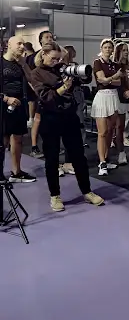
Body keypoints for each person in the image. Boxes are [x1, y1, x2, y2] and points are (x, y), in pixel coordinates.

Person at [28, 42, 104, 211]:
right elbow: (45, 97)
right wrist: (63, 87)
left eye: (59, 59)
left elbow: (84, 80)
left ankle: (87, 191)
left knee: (78, 156)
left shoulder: (63, 68)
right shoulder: (36, 73)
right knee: (52, 159)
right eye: (53, 58)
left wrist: (79, 73)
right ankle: (55, 196)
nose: (57, 62)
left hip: (69, 116)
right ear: (44, 55)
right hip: (50, 118)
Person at [2, 36, 36, 182]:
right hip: (3, 105)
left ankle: (16, 172)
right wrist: (6, 98)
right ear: (9, 45)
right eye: (19, 44)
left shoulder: (21, 63)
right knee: (3, 141)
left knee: (18, 139)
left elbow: (32, 79)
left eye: (23, 44)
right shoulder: (1, 62)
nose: (22, 46)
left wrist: (24, 64)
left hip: (19, 104)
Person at [90, 38, 122, 176]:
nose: (108, 49)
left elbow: (118, 83)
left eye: (110, 47)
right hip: (102, 97)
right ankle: (102, 162)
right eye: (106, 47)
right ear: (101, 49)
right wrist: (113, 77)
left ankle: (106, 158)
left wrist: (109, 80)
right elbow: (101, 80)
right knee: (102, 132)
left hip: (113, 97)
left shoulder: (115, 64)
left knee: (110, 131)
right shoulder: (97, 62)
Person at [58, 45, 90, 176]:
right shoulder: (57, 67)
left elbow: (85, 79)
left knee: (78, 128)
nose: (69, 55)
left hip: (76, 100)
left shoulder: (75, 66)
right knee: (61, 131)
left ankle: (74, 159)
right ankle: (62, 162)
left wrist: (83, 74)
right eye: (67, 53)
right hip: (62, 100)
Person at [27, 29, 55, 159]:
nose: (50, 39)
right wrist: (38, 91)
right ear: (41, 41)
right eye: (47, 37)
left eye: (51, 37)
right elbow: (30, 77)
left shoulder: (55, 56)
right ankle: (34, 147)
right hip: (39, 92)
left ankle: (51, 146)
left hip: (52, 94)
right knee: (37, 119)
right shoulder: (34, 57)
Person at [22, 42, 35, 129]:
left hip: (30, 82)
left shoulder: (29, 58)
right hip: (30, 82)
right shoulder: (33, 57)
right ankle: (30, 118)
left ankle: (31, 119)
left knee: (31, 100)